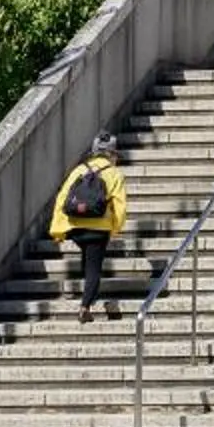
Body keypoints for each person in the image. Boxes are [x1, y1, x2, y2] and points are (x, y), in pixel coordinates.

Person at [52, 131, 128, 323]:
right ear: (111, 154)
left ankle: (89, 291)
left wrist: (58, 228)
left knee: (87, 261)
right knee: (94, 269)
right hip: (98, 228)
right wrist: (116, 227)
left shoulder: (79, 170)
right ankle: (85, 307)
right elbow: (120, 205)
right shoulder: (114, 173)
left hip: (76, 226)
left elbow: (62, 198)